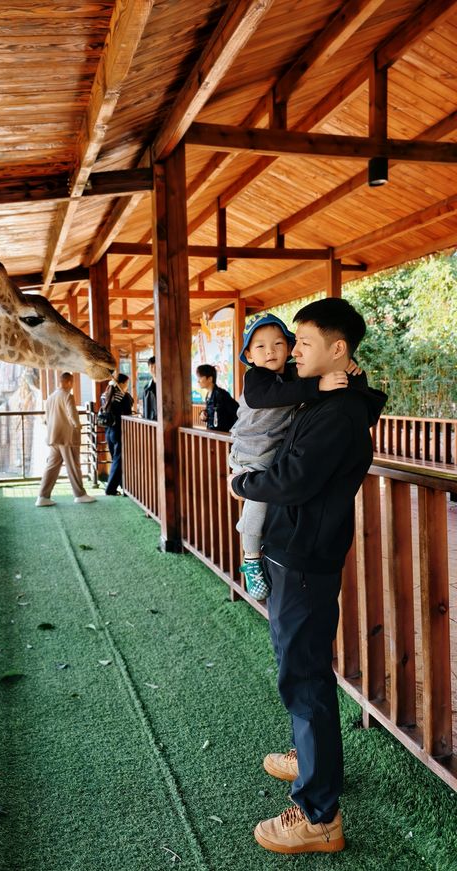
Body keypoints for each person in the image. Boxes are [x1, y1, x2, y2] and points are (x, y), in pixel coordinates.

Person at [229, 298, 386, 855]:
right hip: (292, 549)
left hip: (302, 558)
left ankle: (320, 813)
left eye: (303, 344)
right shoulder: (329, 399)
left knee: (304, 675)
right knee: (299, 665)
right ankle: (310, 754)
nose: (292, 353)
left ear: (337, 350)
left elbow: (291, 481)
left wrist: (243, 487)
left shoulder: (339, 414)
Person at [230, 313, 355, 600]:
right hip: (252, 453)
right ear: (248, 355)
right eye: (260, 347)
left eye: (277, 344)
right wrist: (317, 387)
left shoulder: (292, 373)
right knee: (258, 502)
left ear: (288, 348)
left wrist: (345, 367)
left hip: (270, 452)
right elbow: (272, 397)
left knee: (266, 494)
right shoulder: (256, 378)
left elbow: (319, 374)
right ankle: (250, 557)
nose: (270, 351)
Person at [36, 372, 96, 506]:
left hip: (53, 437)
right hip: (67, 437)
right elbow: (72, 415)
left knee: (51, 467)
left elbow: (46, 419)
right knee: (74, 466)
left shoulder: (51, 397)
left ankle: (42, 497)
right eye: (72, 382)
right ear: (69, 382)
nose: (72, 385)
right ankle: (80, 495)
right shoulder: (68, 396)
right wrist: (78, 426)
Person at [101, 372, 133, 495]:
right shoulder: (123, 397)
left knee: (115, 459)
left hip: (108, 431)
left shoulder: (105, 394)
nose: (127, 386)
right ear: (121, 383)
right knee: (118, 461)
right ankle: (110, 489)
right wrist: (127, 396)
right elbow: (128, 413)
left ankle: (122, 484)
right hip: (119, 431)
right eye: (126, 384)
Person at [196, 363, 238, 432]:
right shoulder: (208, 395)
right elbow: (213, 413)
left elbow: (237, 411)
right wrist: (203, 414)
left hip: (223, 436)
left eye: (200, 377)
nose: (198, 381)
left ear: (210, 379)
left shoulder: (221, 394)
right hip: (213, 435)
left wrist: (233, 431)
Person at [142, 356, 157, 421]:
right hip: (151, 422)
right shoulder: (146, 388)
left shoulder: (166, 385)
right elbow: (144, 408)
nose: (154, 369)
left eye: (156, 366)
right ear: (149, 369)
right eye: (151, 367)